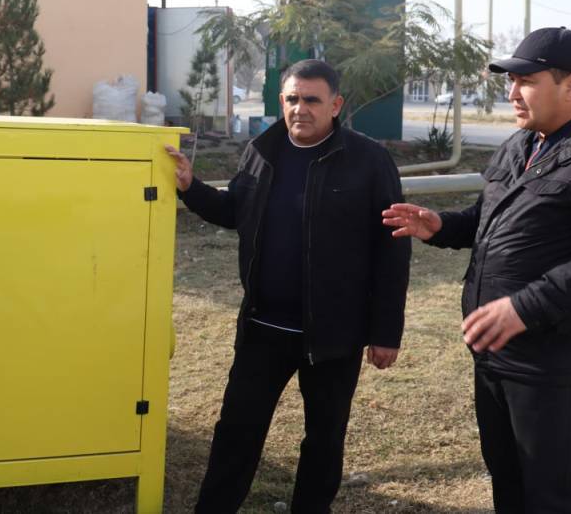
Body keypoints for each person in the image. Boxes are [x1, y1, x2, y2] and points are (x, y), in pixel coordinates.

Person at [383, 27, 571, 513]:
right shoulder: (520, 144)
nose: (512, 93)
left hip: (553, 362)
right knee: (507, 481)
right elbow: (489, 218)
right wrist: (442, 226)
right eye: (511, 81)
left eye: (526, 81)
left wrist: (523, 308)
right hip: (495, 352)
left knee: (550, 495)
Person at [166, 59, 410, 513]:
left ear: (335, 105)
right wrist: (190, 187)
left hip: (333, 335)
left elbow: (392, 250)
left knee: (323, 439)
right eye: (293, 99)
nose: (301, 109)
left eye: (312, 100)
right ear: (281, 101)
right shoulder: (262, 151)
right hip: (263, 328)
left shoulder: (369, 161)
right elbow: (235, 211)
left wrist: (385, 331)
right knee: (236, 432)